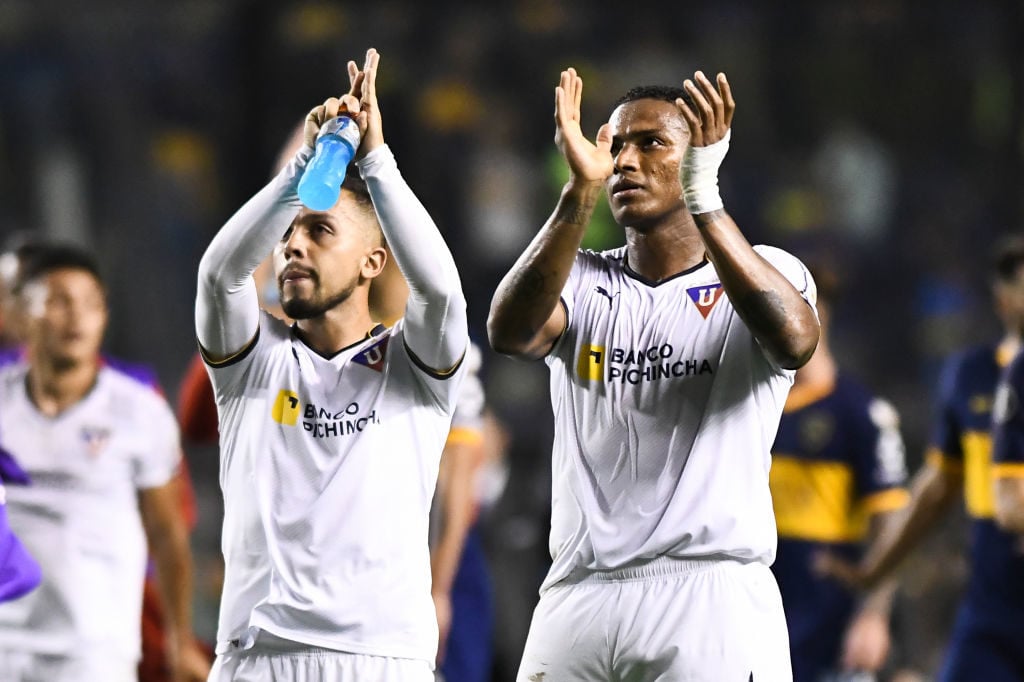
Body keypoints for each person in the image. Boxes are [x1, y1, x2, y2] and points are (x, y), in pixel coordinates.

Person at [487, 67, 820, 680]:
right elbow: (510, 332)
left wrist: (705, 195)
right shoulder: (583, 279)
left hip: (707, 593)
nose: (624, 161)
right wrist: (577, 195)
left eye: (650, 143)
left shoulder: (766, 268)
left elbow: (796, 340)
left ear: (700, 159)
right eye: (614, 146)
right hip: (576, 593)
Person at [197, 48, 468, 681]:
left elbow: (441, 293)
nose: (293, 243)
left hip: (382, 661)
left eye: (320, 232)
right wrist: (299, 175)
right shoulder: (252, 364)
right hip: (257, 658)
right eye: (291, 232)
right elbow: (220, 274)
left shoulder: (416, 367)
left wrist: (376, 162)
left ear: (373, 263)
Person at [818, 236, 1024, 681]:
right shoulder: (974, 374)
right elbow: (936, 488)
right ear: (1003, 298)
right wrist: (876, 571)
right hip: (993, 601)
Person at [0, 244, 209, 681]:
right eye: (58, 301)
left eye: (90, 303)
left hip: (94, 650)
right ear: (21, 312)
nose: (77, 317)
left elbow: (168, 533)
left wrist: (178, 637)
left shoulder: (138, 411)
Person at [769, 265, 910, 681]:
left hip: (826, 613)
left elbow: (890, 522)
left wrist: (873, 615)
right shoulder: (755, 405)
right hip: (758, 598)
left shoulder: (859, 412)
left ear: (818, 314)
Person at [370, 249, 493, 681]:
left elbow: (457, 481)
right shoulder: (328, 346)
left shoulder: (445, 352)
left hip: (432, 551)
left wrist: (439, 587)